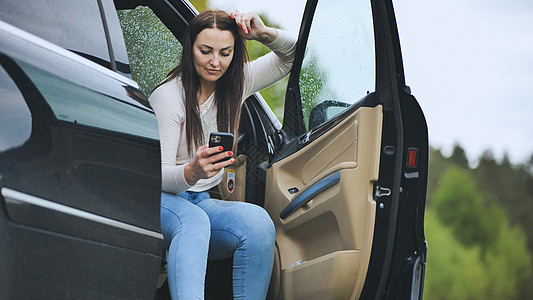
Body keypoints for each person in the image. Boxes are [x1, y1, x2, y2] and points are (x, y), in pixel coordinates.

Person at [148, 8, 296, 299]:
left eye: (225, 53)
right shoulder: (169, 98)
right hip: (158, 200)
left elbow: (291, 55)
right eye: (205, 51)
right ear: (190, 48)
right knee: (192, 221)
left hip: (200, 201)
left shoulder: (236, 82)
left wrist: (263, 34)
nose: (215, 62)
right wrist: (191, 172)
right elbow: (156, 177)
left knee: (258, 224)